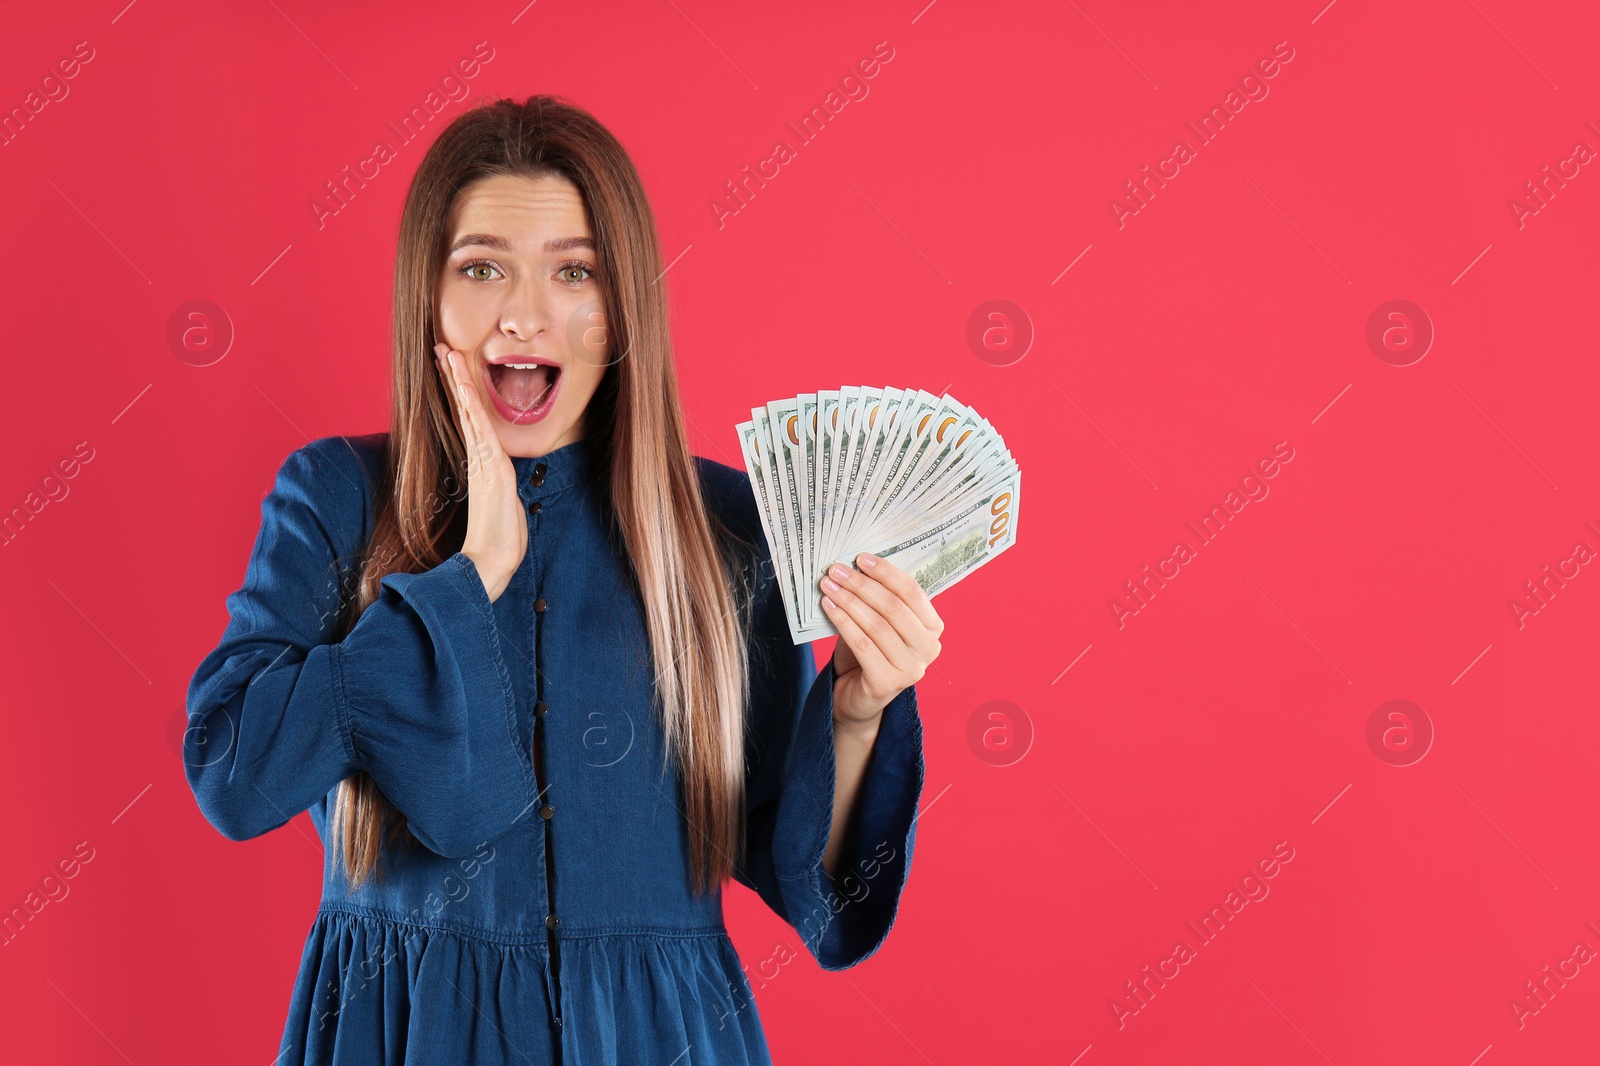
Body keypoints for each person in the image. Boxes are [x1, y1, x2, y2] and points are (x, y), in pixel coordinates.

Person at [183, 93, 943, 1065]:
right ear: (430, 293)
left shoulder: (729, 526)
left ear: (623, 305)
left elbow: (814, 891)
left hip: (657, 1037)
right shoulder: (334, 496)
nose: (524, 312)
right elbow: (236, 777)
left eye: (574, 271)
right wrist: (469, 575)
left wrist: (857, 709)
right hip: (399, 1028)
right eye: (482, 267)